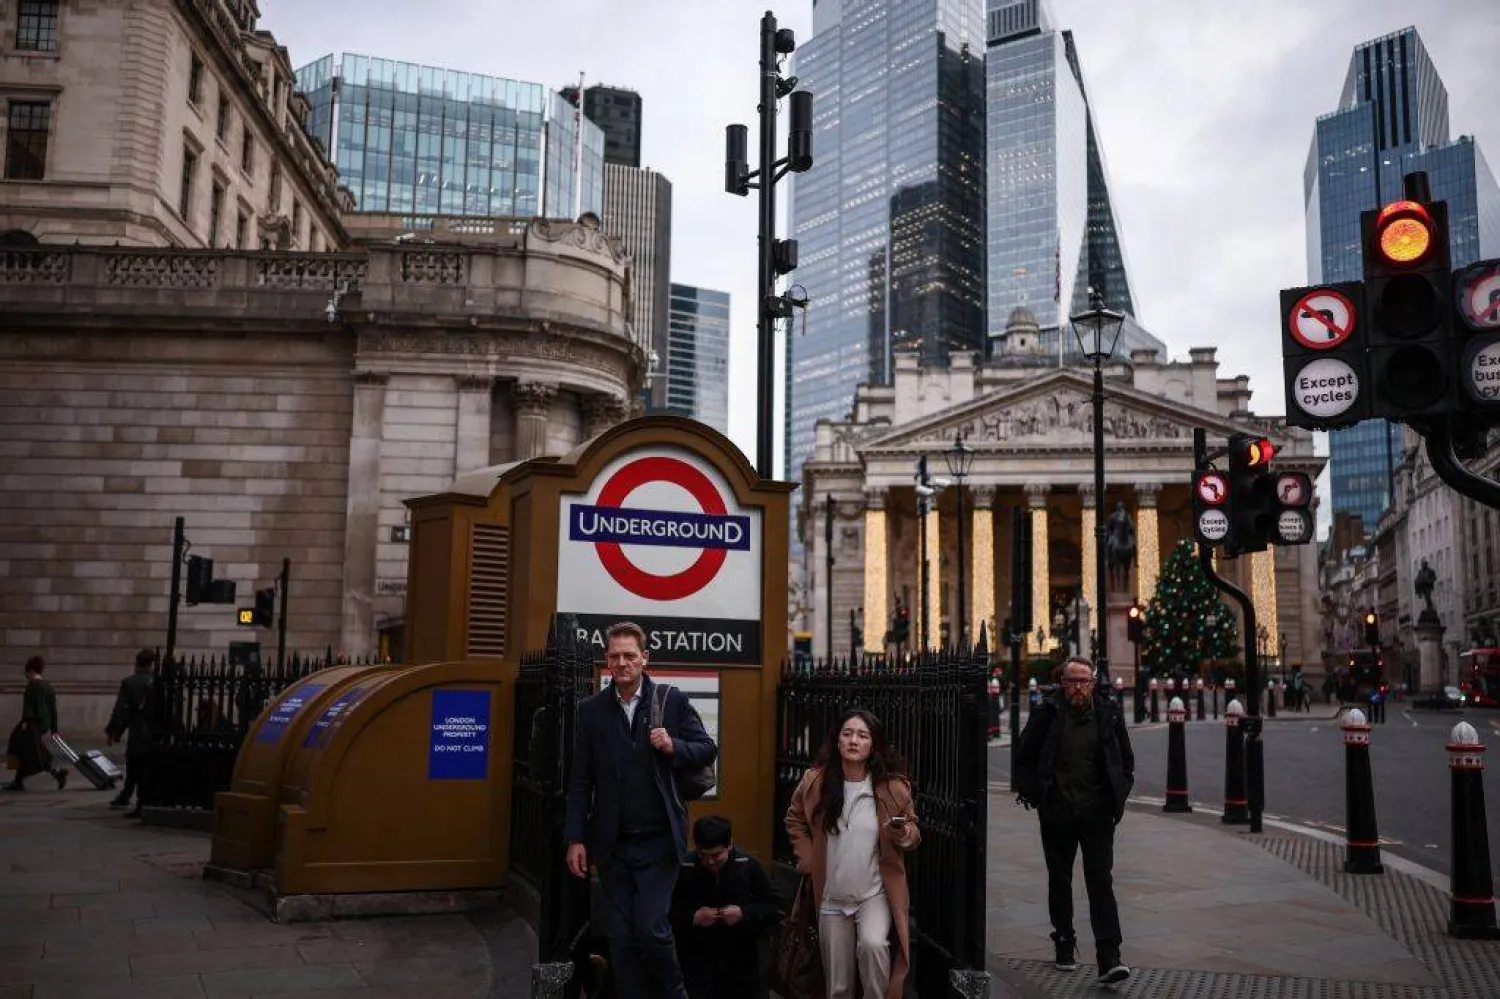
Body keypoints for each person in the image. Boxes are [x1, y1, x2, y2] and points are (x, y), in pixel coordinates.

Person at [564, 621, 718, 999]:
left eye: (630, 655)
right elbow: (581, 780)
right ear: (606, 661)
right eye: (615, 656)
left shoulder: (671, 701)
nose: (622, 663)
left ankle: (675, 994)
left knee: (651, 928)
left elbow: (706, 748)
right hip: (612, 845)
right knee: (620, 936)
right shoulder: (591, 711)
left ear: (644, 658)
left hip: (658, 843)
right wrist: (575, 839)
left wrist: (673, 746)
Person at [1014, 657, 1134, 987]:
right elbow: (1023, 757)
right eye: (1072, 681)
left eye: (1084, 680)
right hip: (1057, 811)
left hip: (1097, 812)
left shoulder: (1107, 713)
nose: (1078, 686)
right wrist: (1038, 795)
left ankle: (1110, 957)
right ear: (1062, 683)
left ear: (1094, 683)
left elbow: (1125, 760)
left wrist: (1119, 792)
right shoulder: (1047, 714)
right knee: (1060, 878)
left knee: (1100, 880)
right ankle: (1064, 940)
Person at [784, 707, 919, 999]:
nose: (854, 741)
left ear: (873, 744)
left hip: (874, 894)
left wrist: (902, 833)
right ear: (837, 741)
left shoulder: (892, 788)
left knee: (874, 946)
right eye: (847, 734)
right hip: (831, 895)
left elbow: (913, 832)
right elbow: (794, 818)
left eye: (862, 735)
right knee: (838, 985)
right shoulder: (815, 783)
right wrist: (806, 857)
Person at [669, 815, 779, 999]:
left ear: (730, 845)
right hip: (695, 963)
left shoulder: (747, 865)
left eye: (716, 855)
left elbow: (776, 907)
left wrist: (744, 913)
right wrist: (693, 917)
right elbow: (665, 912)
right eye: (704, 855)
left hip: (741, 963)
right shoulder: (685, 867)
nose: (710, 862)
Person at [4, 656, 67, 792]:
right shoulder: (48, 687)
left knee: (25, 750)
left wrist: (25, 723)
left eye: (26, 672)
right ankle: (18, 781)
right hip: (44, 724)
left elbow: (29, 707)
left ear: (31, 671)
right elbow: (53, 709)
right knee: (32, 750)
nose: (26, 675)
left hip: (32, 723)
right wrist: (54, 729)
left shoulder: (32, 686)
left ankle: (54, 773)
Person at [106, 649, 155, 814]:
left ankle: (136, 801)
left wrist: (114, 731)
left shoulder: (130, 683)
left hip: (138, 731)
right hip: (155, 732)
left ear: (137, 663)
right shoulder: (157, 681)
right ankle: (130, 797)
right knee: (142, 767)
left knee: (135, 765)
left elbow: (121, 710)